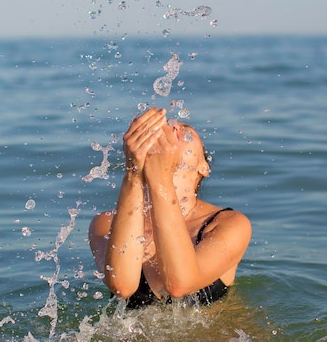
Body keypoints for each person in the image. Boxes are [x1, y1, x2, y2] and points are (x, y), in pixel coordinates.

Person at [89, 107, 251, 308]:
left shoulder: (231, 224)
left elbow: (180, 284)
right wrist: (133, 173)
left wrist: (160, 178)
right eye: (160, 130)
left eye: (185, 131)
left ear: (204, 167)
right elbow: (121, 286)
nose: (171, 132)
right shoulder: (106, 223)